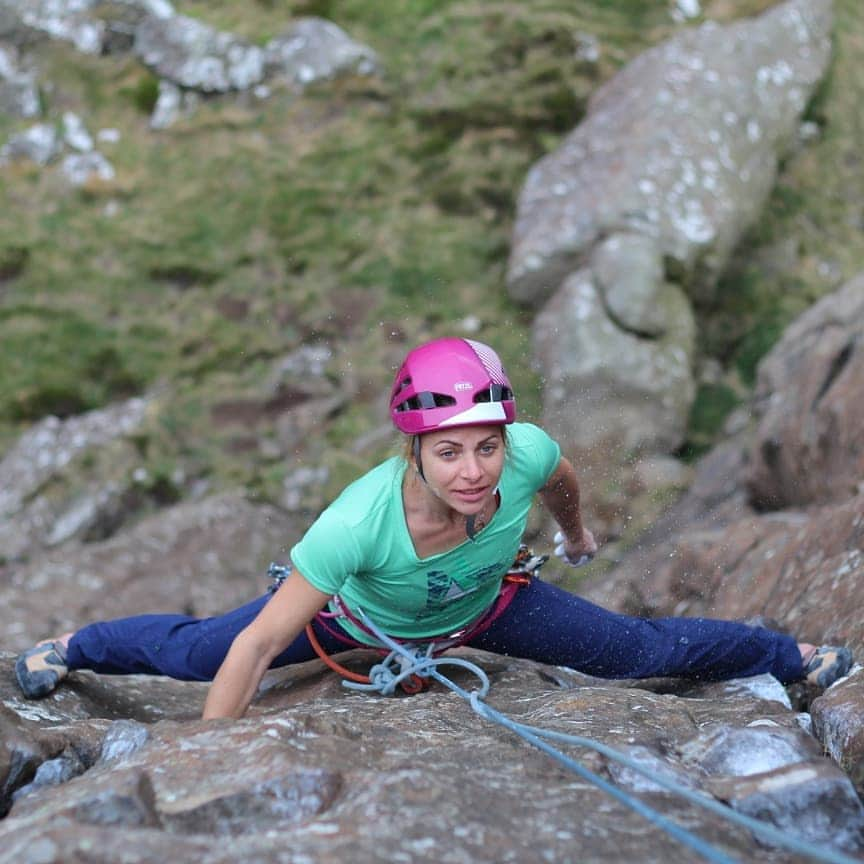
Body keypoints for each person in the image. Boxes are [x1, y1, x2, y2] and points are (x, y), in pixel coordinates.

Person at [15, 337, 853, 718]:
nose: (475, 471)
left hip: (487, 608)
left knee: (643, 655)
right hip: (355, 621)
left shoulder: (526, 454)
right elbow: (260, 648)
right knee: (198, 654)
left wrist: (576, 537)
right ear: (413, 448)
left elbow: (558, 477)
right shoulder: (356, 523)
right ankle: (74, 646)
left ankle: (794, 659)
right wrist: (208, 759)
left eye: (486, 447)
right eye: (449, 452)